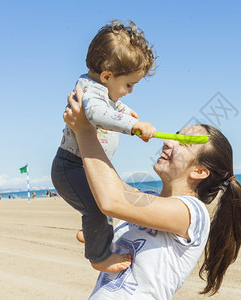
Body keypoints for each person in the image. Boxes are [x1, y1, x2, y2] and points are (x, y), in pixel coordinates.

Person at [63, 89, 241, 299]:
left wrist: (84, 130)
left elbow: (110, 201)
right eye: (174, 136)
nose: (168, 142)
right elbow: (106, 187)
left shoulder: (192, 213)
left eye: (184, 142)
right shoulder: (146, 196)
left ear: (200, 172)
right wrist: (107, 117)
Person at [51, 20, 157, 273]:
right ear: (107, 76)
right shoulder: (90, 93)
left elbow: (112, 107)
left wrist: (128, 116)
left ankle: (91, 233)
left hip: (86, 165)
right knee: (100, 209)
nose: (130, 91)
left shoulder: (101, 91)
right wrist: (133, 125)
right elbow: (98, 114)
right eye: (129, 85)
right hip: (72, 166)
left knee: (107, 201)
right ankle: (99, 257)